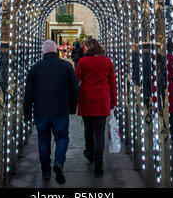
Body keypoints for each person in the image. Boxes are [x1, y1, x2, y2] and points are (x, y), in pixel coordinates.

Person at [23, 40, 79, 184]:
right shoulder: (66, 66)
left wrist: (27, 112)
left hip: (41, 110)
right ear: (57, 51)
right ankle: (59, 162)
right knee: (62, 138)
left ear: (43, 52)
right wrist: (72, 107)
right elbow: (75, 89)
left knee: (43, 140)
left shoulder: (35, 68)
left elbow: (28, 92)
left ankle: (46, 171)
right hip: (60, 110)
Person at [75, 38, 117, 177]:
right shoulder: (107, 62)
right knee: (100, 133)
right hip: (102, 99)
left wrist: (74, 99)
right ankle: (98, 165)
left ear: (88, 48)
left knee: (88, 130)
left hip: (87, 99)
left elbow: (77, 80)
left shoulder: (82, 62)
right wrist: (114, 102)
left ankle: (90, 153)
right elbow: (112, 84)